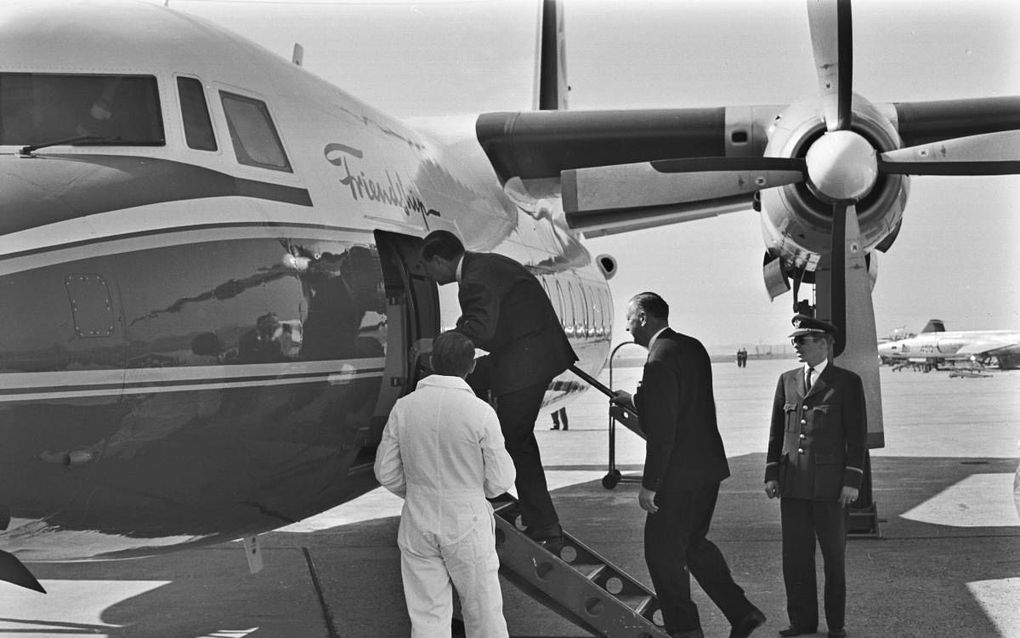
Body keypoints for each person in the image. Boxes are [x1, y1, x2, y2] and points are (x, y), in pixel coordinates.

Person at [611, 292, 765, 638]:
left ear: (644, 318)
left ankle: (686, 631)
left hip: (677, 478)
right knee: (693, 545)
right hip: (706, 470)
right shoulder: (690, 347)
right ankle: (742, 613)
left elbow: (664, 430)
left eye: (629, 318)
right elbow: (682, 401)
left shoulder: (658, 359)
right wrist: (635, 400)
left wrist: (650, 484)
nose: (627, 326)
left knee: (662, 556)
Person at [421, 230, 577, 548]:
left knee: (516, 439)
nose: (430, 276)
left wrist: (434, 344)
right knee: (471, 383)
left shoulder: (475, 278)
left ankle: (545, 525)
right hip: (523, 354)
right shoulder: (482, 267)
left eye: (430, 268)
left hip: (528, 360)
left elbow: (480, 328)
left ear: (439, 260)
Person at [374, 331, 516, 638]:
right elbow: (502, 479)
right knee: (483, 613)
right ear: (472, 366)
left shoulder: (405, 407)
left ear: (432, 362)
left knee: (427, 616)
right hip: (467, 519)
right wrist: (478, 491)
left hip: (418, 517)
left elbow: (385, 471)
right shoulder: (480, 412)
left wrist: (416, 492)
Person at [764, 314, 867, 638]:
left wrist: (852, 482)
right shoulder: (787, 380)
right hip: (793, 485)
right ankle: (802, 622)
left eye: (802, 341)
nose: (796, 346)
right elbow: (776, 432)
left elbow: (857, 437)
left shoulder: (847, 382)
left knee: (834, 560)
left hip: (831, 488)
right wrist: (771, 473)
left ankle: (836, 624)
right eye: (795, 341)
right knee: (795, 559)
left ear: (824, 344)